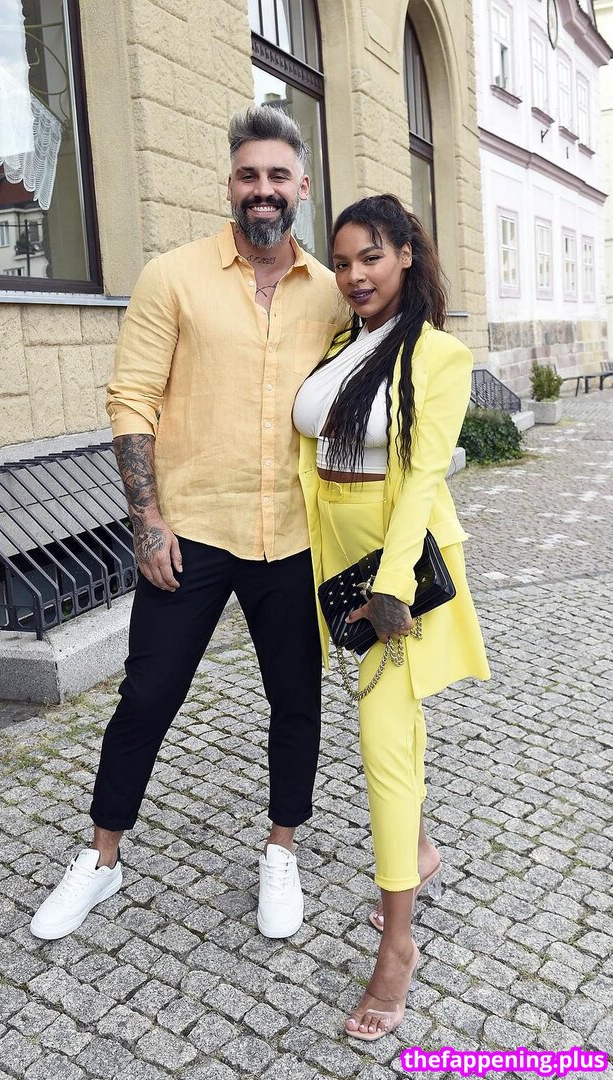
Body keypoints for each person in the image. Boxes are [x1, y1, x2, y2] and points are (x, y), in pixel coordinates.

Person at [29, 105, 346, 942]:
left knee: (296, 700)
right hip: (191, 533)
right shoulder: (172, 276)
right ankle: (102, 859)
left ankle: (280, 847)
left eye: (277, 176)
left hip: (293, 535)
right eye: (248, 175)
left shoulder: (330, 294)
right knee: (147, 696)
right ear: (229, 184)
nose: (262, 189)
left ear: (300, 188)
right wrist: (147, 519)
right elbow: (131, 398)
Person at [293, 194, 490, 1040]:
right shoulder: (342, 342)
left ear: (406, 252)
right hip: (329, 557)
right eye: (341, 262)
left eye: (369, 257)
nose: (353, 275)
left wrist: (391, 588)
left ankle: (396, 949)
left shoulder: (438, 354)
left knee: (382, 743)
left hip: (392, 570)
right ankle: (419, 850)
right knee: (390, 727)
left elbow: (420, 479)